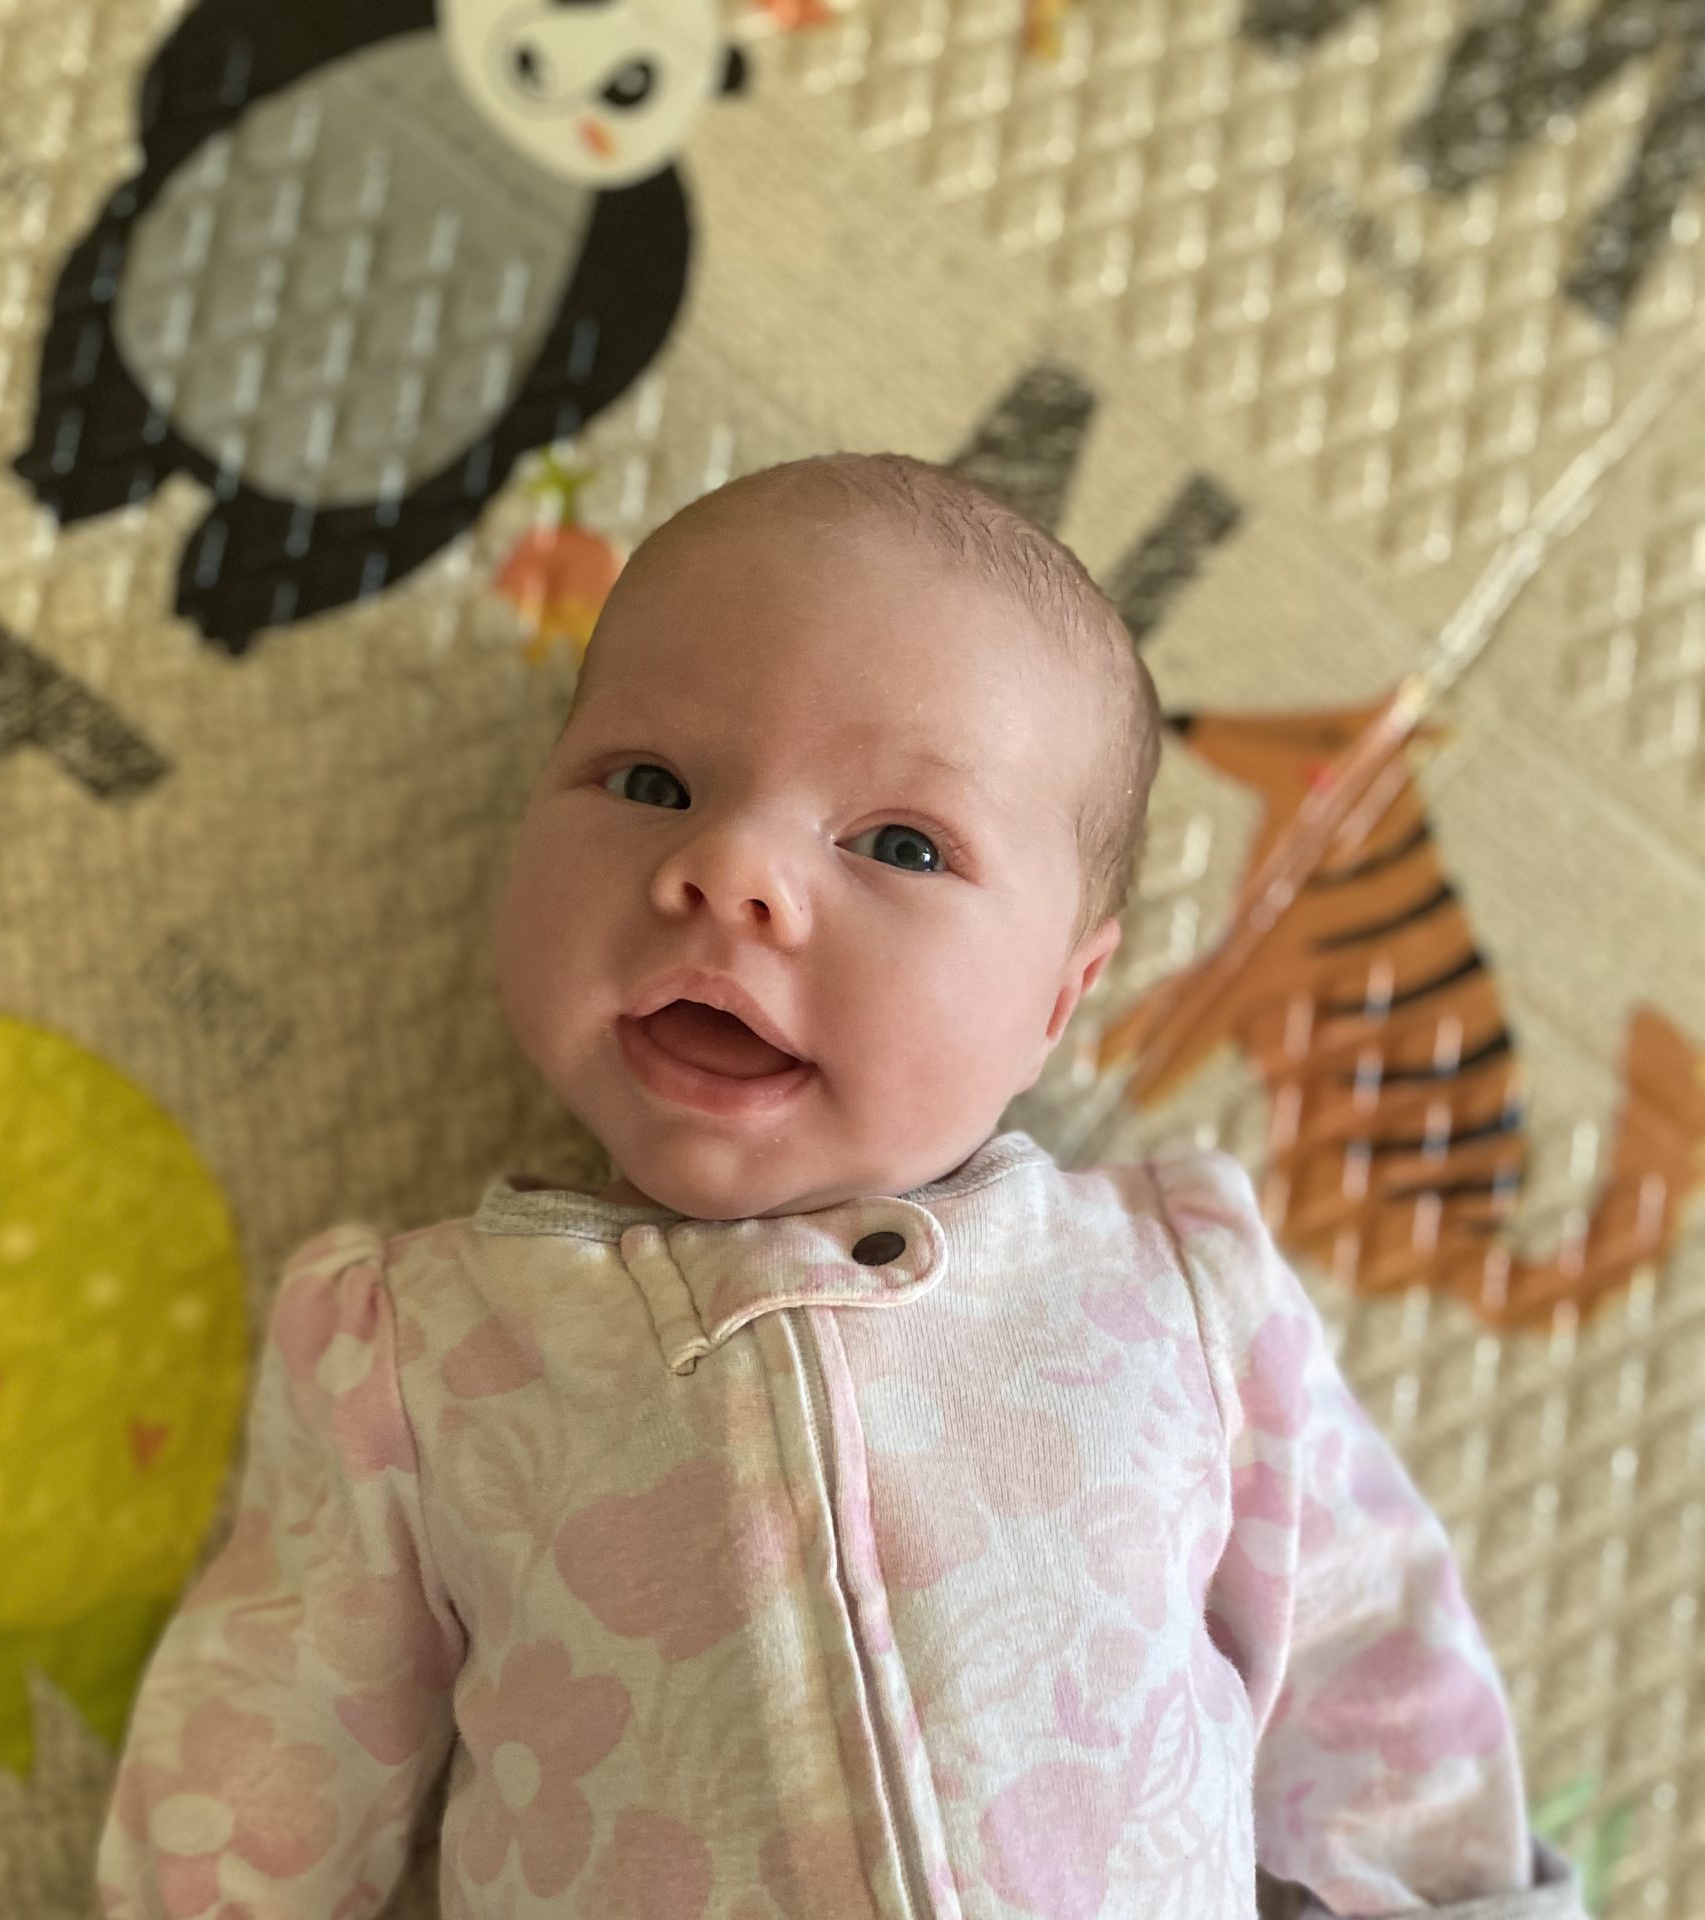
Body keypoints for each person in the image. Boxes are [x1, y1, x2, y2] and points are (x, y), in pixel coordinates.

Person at [97, 454, 1587, 1918]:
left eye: (901, 844)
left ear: (1058, 1001)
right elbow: (258, 1774)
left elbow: (1376, 1663)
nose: (730, 865)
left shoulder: (1175, 1293)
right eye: (653, 781)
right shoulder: (419, 1363)